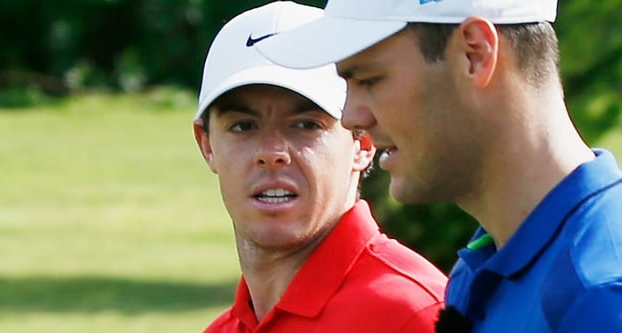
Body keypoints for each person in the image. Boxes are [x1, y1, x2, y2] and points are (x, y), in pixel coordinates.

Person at [255, 0, 622, 332]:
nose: (351, 117)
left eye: (369, 80)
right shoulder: (480, 267)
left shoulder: (601, 296)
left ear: (474, 54)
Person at [193, 2, 448, 332]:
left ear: (363, 143)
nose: (272, 153)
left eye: (305, 125)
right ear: (207, 144)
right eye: (243, 126)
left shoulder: (415, 315)